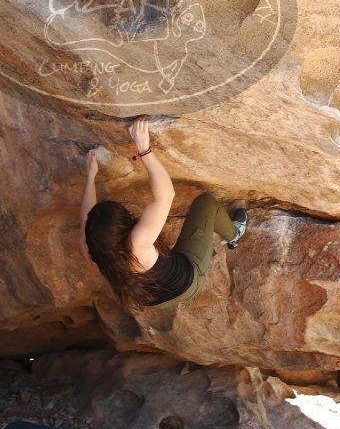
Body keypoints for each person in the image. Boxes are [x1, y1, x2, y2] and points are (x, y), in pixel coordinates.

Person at [80, 117, 247, 312]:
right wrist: (144, 149)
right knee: (206, 203)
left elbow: (85, 218)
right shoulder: (137, 243)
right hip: (188, 283)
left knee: (168, 256)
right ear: (122, 224)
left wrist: (90, 176)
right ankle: (235, 236)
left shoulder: (95, 253)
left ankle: (205, 247)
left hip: (155, 300)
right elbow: (166, 195)